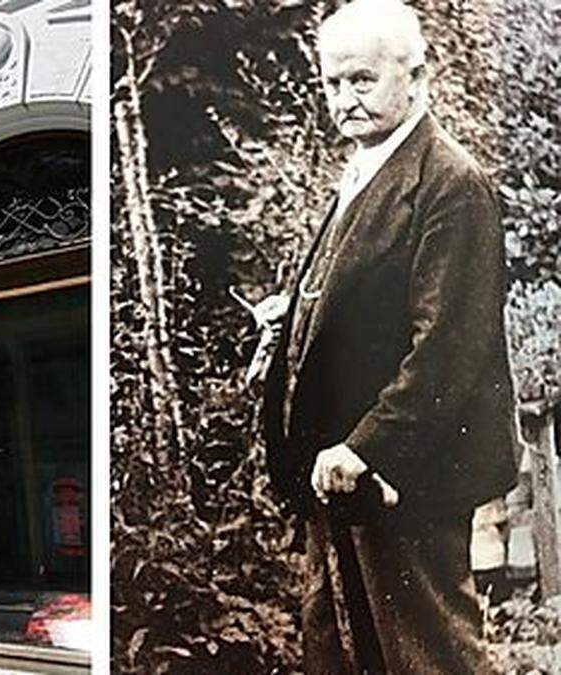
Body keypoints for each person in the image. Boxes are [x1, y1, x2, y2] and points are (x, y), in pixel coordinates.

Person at [256, 0, 518, 671]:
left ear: (418, 75)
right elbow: (374, 298)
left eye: (361, 80)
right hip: (337, 475)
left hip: (401, 477)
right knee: (343, 654)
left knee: (427, 656)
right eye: (333, 83)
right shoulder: (364, 170)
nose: (343, 98)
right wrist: (295, 316)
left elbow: (449, 346)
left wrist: (368, 447)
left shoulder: (451, 183)